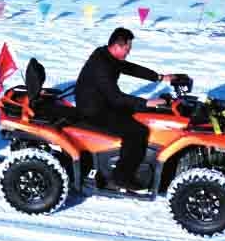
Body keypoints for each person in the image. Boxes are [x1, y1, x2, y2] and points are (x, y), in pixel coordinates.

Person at [74, 27, 173, 190]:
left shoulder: (106, 55)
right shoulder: (101, 66)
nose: (128, 52)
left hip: (103, 102)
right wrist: (146, 103)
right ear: (117, 46)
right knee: (137, 132)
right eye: (127, 49)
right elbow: (116, 97)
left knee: (143, 115)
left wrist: (159, 77)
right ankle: (121, 177)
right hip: (94, 111)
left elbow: (129, 68)